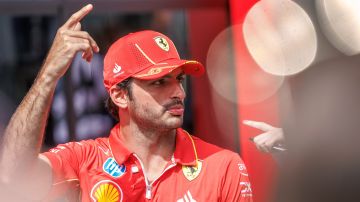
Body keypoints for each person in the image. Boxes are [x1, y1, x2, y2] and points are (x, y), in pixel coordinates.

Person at [0, 4, 252, 201]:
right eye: (159, 82)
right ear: (120, 96)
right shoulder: (85, 160)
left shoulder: (223, 165)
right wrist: (47, 77)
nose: (179, 92)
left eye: (179, 80)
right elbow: (12, 176)